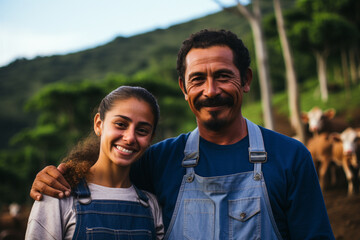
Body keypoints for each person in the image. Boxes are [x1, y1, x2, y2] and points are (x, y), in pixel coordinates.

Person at [29, 29, 335, 239]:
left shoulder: (291, 157)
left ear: (246, 80)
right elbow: (104, 174)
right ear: (183, 89)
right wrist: (61, 173)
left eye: (223, 76)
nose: (210, 91)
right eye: (198, 79)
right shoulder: (159, 159)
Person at [25, 86, 164, 239]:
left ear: (151, 138)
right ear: (99, 124)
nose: (130, 137)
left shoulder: (151, 206)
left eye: (142, 130)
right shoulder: (58, 195)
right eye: (120, 124)